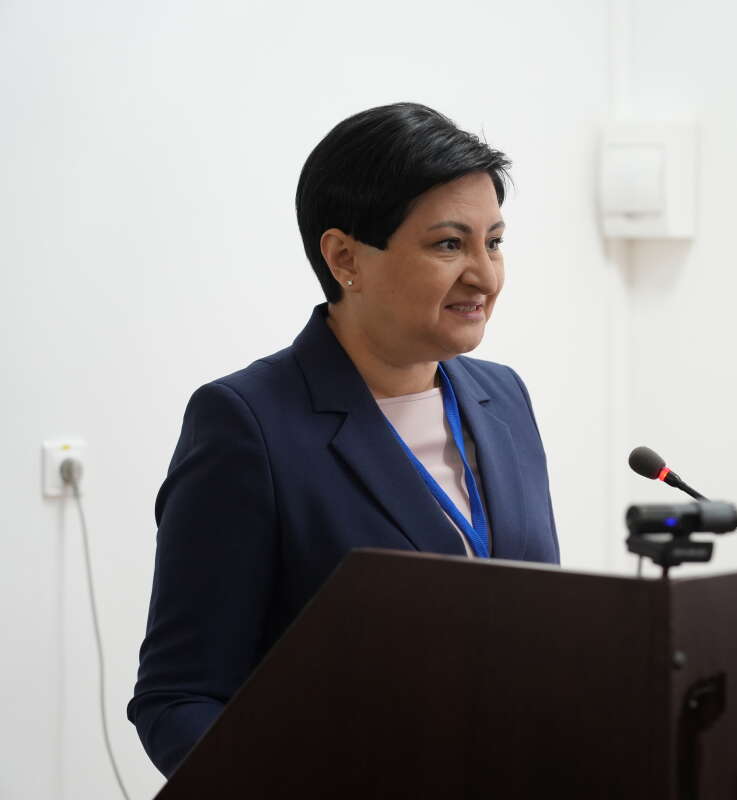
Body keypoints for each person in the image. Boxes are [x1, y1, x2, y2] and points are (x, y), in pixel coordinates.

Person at [127, 103, 560, 777]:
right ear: (345, 258)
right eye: (449, 245)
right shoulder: (248, 424)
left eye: (494, 242)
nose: (486, 275)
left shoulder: (503, 398)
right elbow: (179, 699)